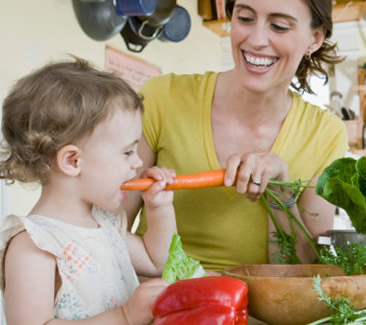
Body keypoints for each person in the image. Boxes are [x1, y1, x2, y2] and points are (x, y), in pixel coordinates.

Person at [123, 0, 347, 272]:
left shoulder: (326, 134)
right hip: (157, 301)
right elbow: (107, 229)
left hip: (257, 310)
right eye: (245, 18)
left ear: (314, 38)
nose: (256, 40)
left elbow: (301, 273)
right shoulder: (162, 98)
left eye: (279, 26)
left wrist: (280, 190)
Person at [0, 58, 177, 324]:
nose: (138, 162)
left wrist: (160, 208)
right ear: (73, 161)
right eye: (127, 152)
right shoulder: (35, 245)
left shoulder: (106, 226)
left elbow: (157, 262)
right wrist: (124, 316)